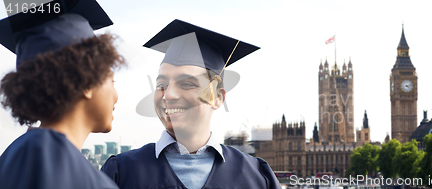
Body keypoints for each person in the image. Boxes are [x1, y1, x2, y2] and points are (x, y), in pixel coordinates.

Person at [101, 19, 280, 189]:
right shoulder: (120, 172)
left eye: (187, 84)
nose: (168, 95)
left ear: (217, 98)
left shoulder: (256, 176)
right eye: (161, 85)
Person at [0, 0, 125, 188]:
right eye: (111, 81)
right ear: (86, 81)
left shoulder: (20, 153)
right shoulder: (47, 155)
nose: (116, 95)